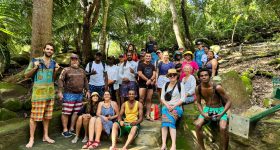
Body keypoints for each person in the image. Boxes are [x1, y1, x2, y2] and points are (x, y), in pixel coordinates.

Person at [24, 43, 60, 148]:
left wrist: (56, 71)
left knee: (47, 116)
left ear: (53, 52)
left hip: (49, 93)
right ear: (43, 49)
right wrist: (35, 68)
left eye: (51, 49)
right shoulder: (35, 61)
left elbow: (52, 78)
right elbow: (26, 75)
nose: (49, 51)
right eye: (48, 49)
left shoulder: (53, 63)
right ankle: (31, 139)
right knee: (34, 117)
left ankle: (45, 136)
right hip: (38, 94)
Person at [195, 68, 231, 150]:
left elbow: (229, 101)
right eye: (201, 76)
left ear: (210, 76)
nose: (204, 77)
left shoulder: (217, 87)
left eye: (206, 75)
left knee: (223, 128)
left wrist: (222, 113)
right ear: (199, 78)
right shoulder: (198, 88)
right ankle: (202, 148)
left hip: (219, 109)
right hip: (207, 109)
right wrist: (203, 114)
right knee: (197, 125)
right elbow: (198, 103)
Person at [58, 53, 90, 138]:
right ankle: (65, 130)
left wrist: (88, 90)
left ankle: (71, 128)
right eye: (72, 59)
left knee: (76, 112)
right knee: (66, 112)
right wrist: (60, 92)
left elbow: (86, 81)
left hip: (79, 95)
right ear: (70, 61)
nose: (74, 61)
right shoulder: (66, 69)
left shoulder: (82, 70)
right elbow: (60, 80)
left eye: (76, 59)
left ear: (78, 61)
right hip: (69, 94)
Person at [160, 69, 185, 150]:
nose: (172, 76)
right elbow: (162, 98)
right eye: (170, 75)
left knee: (170, 121)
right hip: (166, 106)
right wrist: (167, 105)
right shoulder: (165, 85)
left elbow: (183, 99)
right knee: (164, 123)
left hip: (177, 107)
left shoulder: (180, 85)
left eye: (174, 75)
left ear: (177, 76)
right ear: (168, 76)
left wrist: (174, 106)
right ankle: (163, 144)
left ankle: (173, 145)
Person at [137, 52, 156, 120]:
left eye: (149, 56)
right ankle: (140, 115)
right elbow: (140, 73)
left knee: (149, 99)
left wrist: (150, 80)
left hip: (150, 84)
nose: (148, 57)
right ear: (144, 57)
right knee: (141, 99)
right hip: (142, 84)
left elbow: (154, 74)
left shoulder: (152, 65)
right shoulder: (140, 65)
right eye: (147, 56)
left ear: (151, 58)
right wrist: (147, 80)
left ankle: (147, 114)